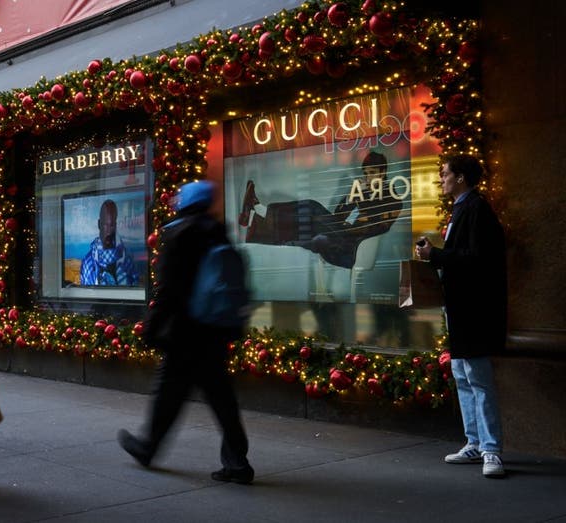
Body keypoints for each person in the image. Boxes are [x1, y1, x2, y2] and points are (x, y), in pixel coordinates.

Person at [118, 180, 254, 484]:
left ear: (185, 203)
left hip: (186, 331)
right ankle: (238, 462)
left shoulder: (181, 234)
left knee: (169, 393)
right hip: (215, 331)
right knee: (221, 399)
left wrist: (151, 328)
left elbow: (168, 290)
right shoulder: (218, 231)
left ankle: (147, 448)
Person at [415, 155, 507, 479]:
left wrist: (436, 255)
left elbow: (478, 257)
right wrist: (433, 255)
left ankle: (491, 450)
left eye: (445, 174)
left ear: (462, 178)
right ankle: (474, 442)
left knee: (477, 377)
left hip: (473, 310)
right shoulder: (462, 208)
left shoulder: (476, 208)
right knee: (463, 375)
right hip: (460, 308)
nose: (442, 179)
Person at [239, 151, 402, 268]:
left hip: (353, 248)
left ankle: (258, 214)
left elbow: (378, 227)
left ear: (382, 172)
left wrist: (361, 203)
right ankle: (258, 215)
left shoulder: (393, 199)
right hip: (345, 237)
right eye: (366, 173)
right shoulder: (365, 192)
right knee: (309, 211)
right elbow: (339, 216)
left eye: (372, 173)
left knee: (311, 213)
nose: (368, 178)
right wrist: (350, 199)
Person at [80, 199, 140, 285]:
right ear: (99, 224)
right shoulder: (88, 263)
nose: (108, 231)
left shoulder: (126, 260)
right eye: (105, 225)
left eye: (111, 225)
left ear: (115, 226)